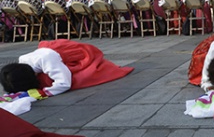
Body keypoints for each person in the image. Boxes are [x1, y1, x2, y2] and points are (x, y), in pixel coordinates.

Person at [0, 40, 134, 108]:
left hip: (72, 53)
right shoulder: (22, 62)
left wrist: (44, 92)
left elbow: (64, 83)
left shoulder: (47, 60)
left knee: (84, 76)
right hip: (51, 54)